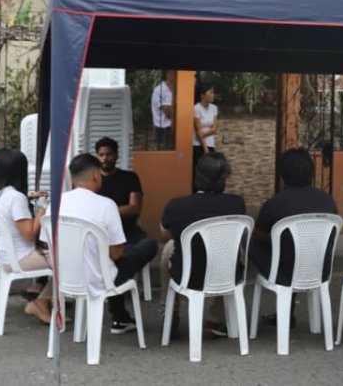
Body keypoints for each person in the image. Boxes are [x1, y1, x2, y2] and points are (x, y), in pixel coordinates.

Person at [54, 152, 157, 334]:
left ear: (72, 178)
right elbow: (116, 254)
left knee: (111, 261)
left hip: (65, 278)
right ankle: (119, 316)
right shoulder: (106, 205)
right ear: (96, 175)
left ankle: (120, 316)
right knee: (147, 245)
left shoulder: (56, 204)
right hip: (99, 279)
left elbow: (48, 245)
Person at [160, 152, 246, 336]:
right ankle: (216, 318)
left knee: (168, 248)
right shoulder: (236, 204)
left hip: (187, 275)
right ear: (224, 178)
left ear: (197, 176)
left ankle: (170, 312)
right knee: (234, 249)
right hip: (226, 275)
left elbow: (165, 233)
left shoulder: (177, 205)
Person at [0, 149, 51, 323]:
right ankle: (41, 302)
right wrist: (43, 207)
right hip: (22, 259)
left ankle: (40, 292)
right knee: (69, 261)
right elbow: (29, 234)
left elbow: (11, 207)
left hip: (7, 257)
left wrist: (29, 197)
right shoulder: (16, 198)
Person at [93, 136, 158, 333]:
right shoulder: (93, 181)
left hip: (129, 232)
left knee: (149, 245)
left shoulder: (129, 177)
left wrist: (106, 212)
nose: (105, 158)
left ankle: (114, 279)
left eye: (109, 154)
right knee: (119, 256)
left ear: (116, 155)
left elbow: (134, 208)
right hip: (102, 236)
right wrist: (115, 211)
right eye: (101, 155)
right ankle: (118, 302)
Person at [249, 148, 337, 289]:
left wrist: (277, 237)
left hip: (286, 275)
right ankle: (290, 304)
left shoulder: (275, 204)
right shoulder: (328, 201)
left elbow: (257, 236)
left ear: (283, 174)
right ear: (311, 172)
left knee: (247, 239)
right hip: (321, 272)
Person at [191, 82, 219, 192]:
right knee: (199, 172)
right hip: (198, 145)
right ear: (202, 95)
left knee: (212, 172)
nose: (212, 95)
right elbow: (198, 131)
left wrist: (205, 133)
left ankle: (210, 194)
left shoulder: (214, 108)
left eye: (213, 92)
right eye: (210, 92)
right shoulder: (196, 108)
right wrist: (205, 149)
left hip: (211, 144)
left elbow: (215, 128)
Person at [151, 71, 175, 150]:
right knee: (164, 151)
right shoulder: (159, 90)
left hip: (176, 127)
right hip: (163, 128)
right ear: (168, 74)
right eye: (174, 73)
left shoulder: (178, 89)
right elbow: (167, 112)